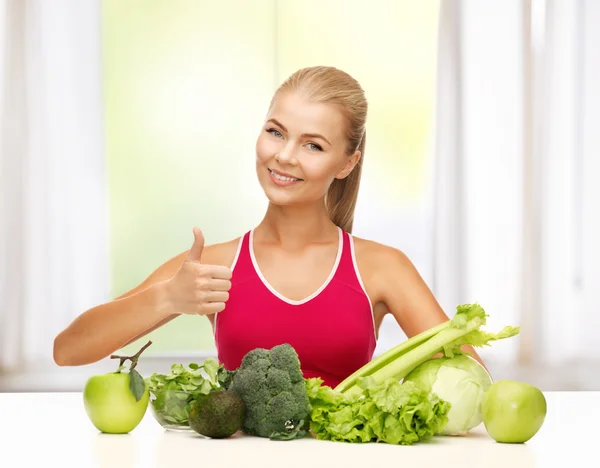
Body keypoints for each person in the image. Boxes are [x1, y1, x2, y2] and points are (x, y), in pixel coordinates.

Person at [53, 66, 482, 388]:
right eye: (276, 132)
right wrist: (167, 297)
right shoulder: (215, 265)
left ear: (346, 163)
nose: (285, 156)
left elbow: (472, 379)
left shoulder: (381, 267)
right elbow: (69, 349)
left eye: (313, 144)